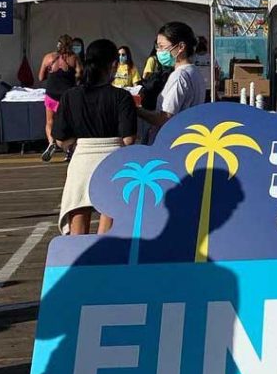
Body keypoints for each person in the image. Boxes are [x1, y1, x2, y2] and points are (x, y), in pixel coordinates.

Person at [53, 38, 138, 235]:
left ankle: (79, 263)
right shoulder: (122, 97)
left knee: (77, 228)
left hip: (82, 160)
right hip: (114, 161)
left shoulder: (70, 96)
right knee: (109, 222)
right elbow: (128, 139)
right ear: (114, 64)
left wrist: (78, 143)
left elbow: (60, 139)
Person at [137, 21, 206, 143]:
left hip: (171, 141)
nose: (159, 51)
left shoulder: (179, 76)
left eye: (162, 46)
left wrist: (137, 110)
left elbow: (165, 118)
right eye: (157, 47)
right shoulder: (194, 71)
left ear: (180, 47)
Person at [37, 35, 77, 162]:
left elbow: (40, 77)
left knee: (50, 122)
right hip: (67, 97)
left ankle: (51, 143)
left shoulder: (48, 58)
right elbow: (80, 73)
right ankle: (70, 150)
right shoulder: (73, 59)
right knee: (70, 124)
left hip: (51, 96)